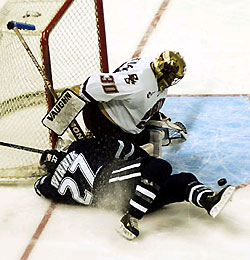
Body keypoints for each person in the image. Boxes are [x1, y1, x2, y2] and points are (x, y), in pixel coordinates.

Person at [34, 137, 235, 240]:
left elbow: (38, 187)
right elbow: (118, 145)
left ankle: (209, 200)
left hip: (122, 200)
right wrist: (141, 156)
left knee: (179, 180)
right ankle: (131, 219)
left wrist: (45, 175)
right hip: (112, 180)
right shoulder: (78, 147)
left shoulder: (52, 185)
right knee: (163, 168)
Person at [76, 50, 187, 148]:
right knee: (142, 158)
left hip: (124, 119)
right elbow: (89, 88)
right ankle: (92, 142)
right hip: (105, 125)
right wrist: (76, 96)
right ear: (163, 71)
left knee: (151, 134)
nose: (172, 80)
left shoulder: (148, 66)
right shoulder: (139, 83)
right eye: (171, 76)